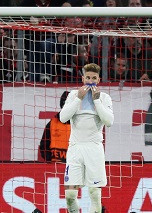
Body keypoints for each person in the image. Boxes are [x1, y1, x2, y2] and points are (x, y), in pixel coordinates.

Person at [60, 63, 114, 213]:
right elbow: (63, 118)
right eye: (88, 77)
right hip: (75, 148)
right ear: (83, 78)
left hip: (94, 148)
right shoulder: (73, 95)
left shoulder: (104, 98)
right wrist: (78, 99)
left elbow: (109, 122)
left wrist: (96, 101)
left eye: (94, 78)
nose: (91, 81)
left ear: (99, 79)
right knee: (70, 195)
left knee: (94, 194)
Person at [39, 91, 70, 162]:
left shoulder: (79, 123)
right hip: (55, 167)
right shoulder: (52, 123)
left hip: (75, 166)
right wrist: (49, 159)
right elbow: (43, 146)